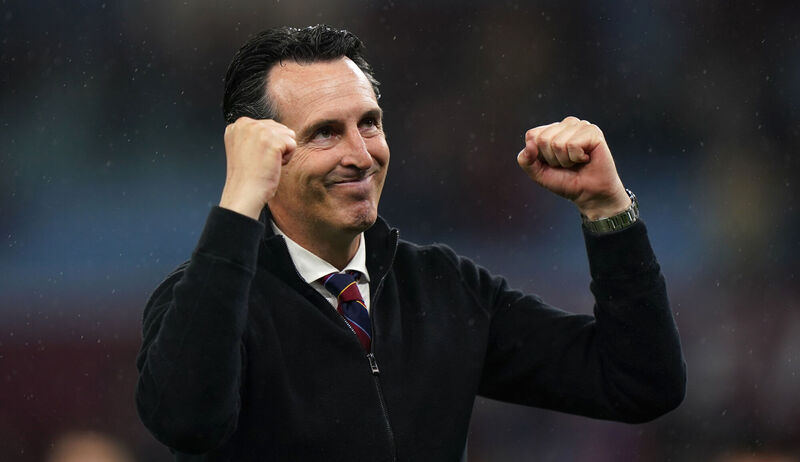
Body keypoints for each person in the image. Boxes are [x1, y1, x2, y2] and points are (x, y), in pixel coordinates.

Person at [135, 25, 686, 461]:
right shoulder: (200, 301)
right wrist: (238, 207)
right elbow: (188, 421)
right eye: (326, 132)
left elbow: (640, 382)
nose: (361, 153)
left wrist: (607, 210)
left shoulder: (444, 290)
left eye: (369, 124)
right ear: (263, 154)